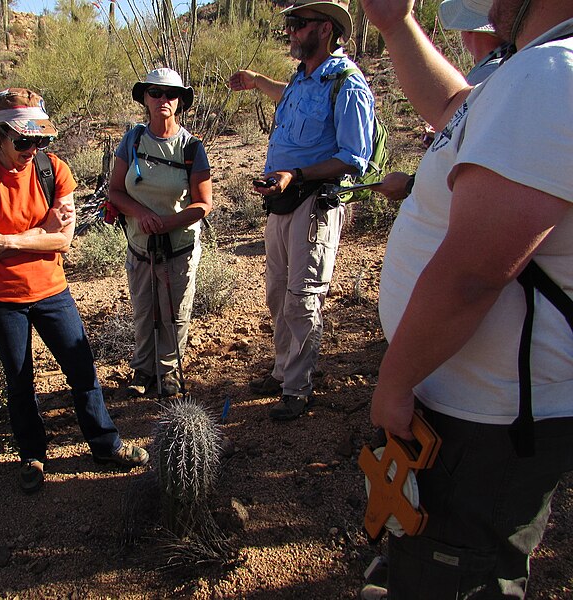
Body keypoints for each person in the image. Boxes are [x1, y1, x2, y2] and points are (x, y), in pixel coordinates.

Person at [358, 0, 573, 597]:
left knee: (457, 575)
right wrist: (396, 24)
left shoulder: (552, 74)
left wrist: (395, 383)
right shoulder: (529, 73)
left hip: (485, 423)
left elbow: (474, 272)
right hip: (480, 407)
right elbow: (454, 109)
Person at [0, 88, 149, 495]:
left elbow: (61, 243)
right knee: (20, 380)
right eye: (23, 140)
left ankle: (105, 445)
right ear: (0, 136)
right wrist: (41, 230)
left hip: (52, 291)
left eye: (39, 139)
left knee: (82, 370)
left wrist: (10, 240)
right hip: (2, 299)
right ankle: (32, 454)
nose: (32, 148)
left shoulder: (54, 169)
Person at [229, 0, 375, 421]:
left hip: (313, 202)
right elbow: (289, 97)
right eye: (290, 24)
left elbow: (353, 157)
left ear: (325, 29)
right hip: (281, 199)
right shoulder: (304, 79)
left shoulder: (348, 85)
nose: (290, 31)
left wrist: (296, 173)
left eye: (298, 24)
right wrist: (257, 81)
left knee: (302, 298)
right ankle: (281, 372)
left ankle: (297, 388)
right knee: (278, 293)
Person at [108, 68, 213, 398]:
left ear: (180, 100)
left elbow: (204, 204)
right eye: (155, 92)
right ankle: (143, 370)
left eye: (170, 94)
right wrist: (142, 214)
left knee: (174, 312)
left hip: (179, 246)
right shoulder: (133, 140)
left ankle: (168, 371)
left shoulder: (191, 148)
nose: (162, 99)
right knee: (143, 309)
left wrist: (168, 223)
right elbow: (114, 191)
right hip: (140, 244)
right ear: (145, 98)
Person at [377, 0, 509, 203]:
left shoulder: (488, 75)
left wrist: (410, 184)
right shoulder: (506, 66)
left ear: (470, 32)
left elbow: (473, 161)